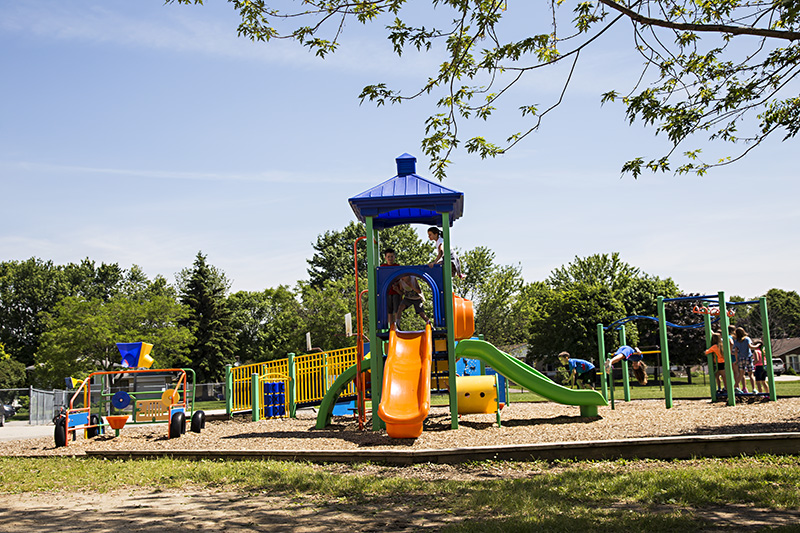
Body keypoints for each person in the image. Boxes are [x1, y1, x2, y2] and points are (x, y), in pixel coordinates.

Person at [733, 327, 761, 394]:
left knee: (741, 374)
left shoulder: (736, 341)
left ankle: (736, 387)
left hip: (741, 358)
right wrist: (757, 345)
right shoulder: (747, 339)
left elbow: (735, 351)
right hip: (748, 357)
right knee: (751, 374)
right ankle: (754, 389)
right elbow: (751, 347)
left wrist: (736, 360)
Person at [380, 248, 402, 325]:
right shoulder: (383, 267)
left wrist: (397, 285)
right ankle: (391, 327)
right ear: (385, 257)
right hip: (387, 292)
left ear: (394, 257)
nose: (390, 258)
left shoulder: (397, 266)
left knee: (397, 310)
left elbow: (400, 278)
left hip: (396, 291)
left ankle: (397, 325)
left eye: (392, 256)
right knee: (389, 311)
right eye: (388, 257)